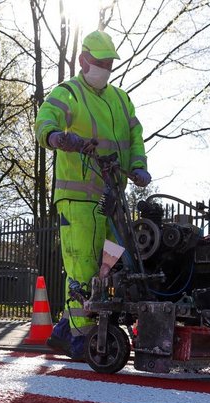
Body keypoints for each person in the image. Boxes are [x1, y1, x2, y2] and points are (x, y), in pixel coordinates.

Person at [35, 30, 150, 360]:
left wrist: (139, 166)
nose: (104, 69)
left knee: (110, 268)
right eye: (98, 63)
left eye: (108, 64)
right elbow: (45, 120)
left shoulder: (120, 99)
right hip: (78, 199)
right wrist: (56, 137)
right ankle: (81, 340)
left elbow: (135, 137)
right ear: (83, 61)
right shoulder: (68, 92)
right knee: (83, 268)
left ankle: (63, 330)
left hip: (112, 199)